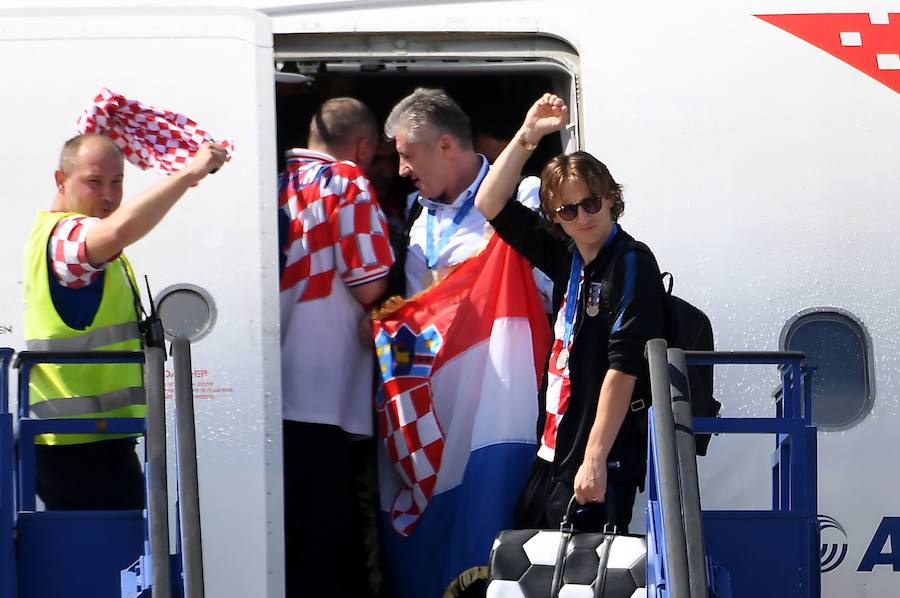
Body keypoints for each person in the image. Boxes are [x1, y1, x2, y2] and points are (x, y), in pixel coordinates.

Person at [474, 93, 665, 531]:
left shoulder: (631, 260)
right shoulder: (566, 255)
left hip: (596, 460)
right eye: (567, 209)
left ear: (612, 199)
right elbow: (490, 204)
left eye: (592, 203)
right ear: (555, 217)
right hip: (554, 450)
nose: (583, 217)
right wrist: (527, 136)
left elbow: (624, 368)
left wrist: (595, 459)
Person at [23, 133, 227, 511]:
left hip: (89, 443)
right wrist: (189, 174)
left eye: (117, 182)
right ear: (60, 181)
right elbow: (117, 231)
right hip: (81, 449)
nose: (108, 195)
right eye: (94, 182)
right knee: (117, 562)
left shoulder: (55, 232)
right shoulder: (68, 240)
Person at [277, 97, 394, 598]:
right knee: (324, 545)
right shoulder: (347, 181)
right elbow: (370, 282)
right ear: (364, 145)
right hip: (323, 394)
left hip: (267, 386)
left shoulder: (266, 182)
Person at [383, 87, 544, 297]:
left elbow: (548, 298)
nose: (401, 170)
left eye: (408, 156)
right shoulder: (414, 205)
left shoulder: (521, 193)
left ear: (445, 145)